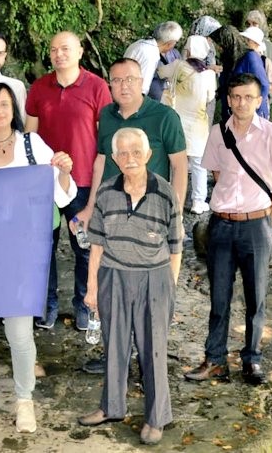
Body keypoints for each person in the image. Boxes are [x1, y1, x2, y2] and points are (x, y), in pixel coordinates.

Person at [0, 81, 75, 433]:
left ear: (13, 109)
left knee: (21, 334)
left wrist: (63, 171)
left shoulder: (31, 144)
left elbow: (62, 197)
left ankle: (24, 402)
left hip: (22, 255)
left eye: (4, 104)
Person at [77, 57, 187, 373]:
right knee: (113, 287)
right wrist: (91, 208)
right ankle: (116, 355)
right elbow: (100, 162)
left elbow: (179, 165)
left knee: (150, 289)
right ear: (109, 84)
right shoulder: (107, 116)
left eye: (130, 79)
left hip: (152, 218)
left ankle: (148, 358)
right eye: (117, 80)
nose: (124, 85)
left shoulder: (164, 116)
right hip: (112, 217)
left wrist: (175, 211)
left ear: (141, 81)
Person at [186, 73, 272, 386]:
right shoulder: (218, 133)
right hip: (220, 225)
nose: (241, 102)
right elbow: (218, 173)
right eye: (235, 97)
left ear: (260, 101)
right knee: (219, 298)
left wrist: (268, 218)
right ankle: (215, 359)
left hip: (256, 225)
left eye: (248, 97)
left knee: (255, 298)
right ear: (228, 99)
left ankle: (252, 361)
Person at [78, 128, 182, 445]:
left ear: (149, 155)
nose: (130, 158)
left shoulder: (165, 193)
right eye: (122, 153)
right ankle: (111, 407)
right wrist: (92, 287)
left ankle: (156, 417)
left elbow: (176, 247)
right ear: (114, 158)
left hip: (155, 278)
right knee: (114, 345)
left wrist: (170, 292)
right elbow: (96, 244)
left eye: (136, 151)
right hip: (113, 276)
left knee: (153, 351)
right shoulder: (107, 192)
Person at [25, 31, 112, 331]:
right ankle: (45, 306)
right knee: (41, 247)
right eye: (53, 49)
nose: (58, 54)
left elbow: (104, 141)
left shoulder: (97, 87)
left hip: (83, 182)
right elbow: (29, 136)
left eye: (65, 49)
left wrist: (98, 191)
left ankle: (84, 306)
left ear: (80, 51)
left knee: (84, 247)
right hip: (45, 183)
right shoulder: (39, 87)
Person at [158, 36, 218, 213]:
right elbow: (210, 98)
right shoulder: (209, 74)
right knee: (199, 164)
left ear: (188, 49)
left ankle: (171, 198)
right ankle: (198, 202)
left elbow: (161, 72)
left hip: (176, 122)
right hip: (198, 124)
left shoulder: (178, 66)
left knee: (177, 162)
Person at [124, 21, 183, 100]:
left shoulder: (140, 43)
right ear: (169, 43)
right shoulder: (151, 55)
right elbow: (142, 89)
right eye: (175, 43)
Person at [238, 26, 272, 108]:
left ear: (256, 43)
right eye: (244, 39)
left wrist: (256, 105)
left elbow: (264, 85)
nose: (245, 42)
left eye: (248, 40)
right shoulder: (250, 56)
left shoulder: (252, 56)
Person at [244, 10, 272, 80]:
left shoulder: (269, 46)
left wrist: (266, 75)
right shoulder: (241, 41)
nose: (251, 26)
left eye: (254, 23)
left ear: (261, 25)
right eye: (248, 24)